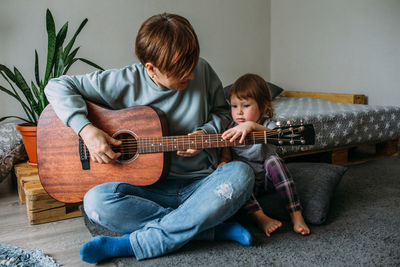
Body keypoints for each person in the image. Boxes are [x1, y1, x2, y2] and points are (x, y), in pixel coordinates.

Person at [44, 13, 255, 263]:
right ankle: (206, 229)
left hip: (200, 184)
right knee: (95, 203)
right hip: (146, 192)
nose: (190, 75)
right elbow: (56, 85)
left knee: (241, 174)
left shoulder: (203, 71)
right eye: (180, 72)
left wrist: (205, 134)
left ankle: (136, 242)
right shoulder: (123, 81)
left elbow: (223, 114)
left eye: (192, 66)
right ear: (151, 69)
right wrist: (86, 130)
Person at [219, 73, 310, 237]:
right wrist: (224, 162)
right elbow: (226, 155)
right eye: (234, 106)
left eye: (246, 106)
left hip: (268, 180)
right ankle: (261, 218)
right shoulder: (230, 128)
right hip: (247, 184)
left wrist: (252, 125)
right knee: (233, 172)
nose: (239, 112)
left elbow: (277, 136)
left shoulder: (267, 125)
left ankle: (296, 214)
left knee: (274, 161)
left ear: (263, 106)